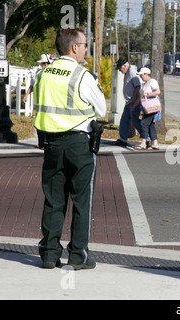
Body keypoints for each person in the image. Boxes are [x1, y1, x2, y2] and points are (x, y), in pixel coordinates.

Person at [33, 28, 107, 270]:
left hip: (51, 144)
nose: (87, 48)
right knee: (81, 200)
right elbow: (102, 109)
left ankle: (49, 254)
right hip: (78, 145)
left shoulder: (43, 74)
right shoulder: (82, 75)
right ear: (75, 47)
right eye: (85, 44)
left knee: (53, 200)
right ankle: (78, 256)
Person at [113, 57, 141, 147]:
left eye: (120, 68)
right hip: (129, 102)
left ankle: (147, 138)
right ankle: (123, 139)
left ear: (125, 66)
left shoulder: (132, 73)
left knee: (136, 121)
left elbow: (138, 86)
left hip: (133, 101)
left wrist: (134, 99)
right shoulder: (127, 73)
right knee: (124, 120)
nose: (120, 71)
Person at [133, 67, 161, 150]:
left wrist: (148, 94)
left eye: (142, 75)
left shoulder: (152, 82)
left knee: (143, 123)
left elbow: (157, 92)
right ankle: (155, 143)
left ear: (146, 74)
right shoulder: (145, 83)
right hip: (146, 108)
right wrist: (135, 105)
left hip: (151, 107)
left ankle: (143, 143)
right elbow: (141, 96)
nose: (141, 77)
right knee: (151, 125)